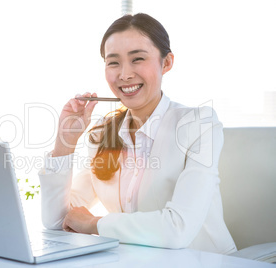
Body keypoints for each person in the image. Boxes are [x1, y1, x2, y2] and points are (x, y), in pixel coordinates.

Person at [38, 13, 237, 254]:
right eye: (113, 62)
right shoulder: (104, 133)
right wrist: (64, 144)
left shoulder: (198, 124)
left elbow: (177, 229)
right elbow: (57, 222)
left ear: (166, 63)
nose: (124, 74)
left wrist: (94, 224)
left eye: (137, 59)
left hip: (207, 261)